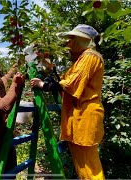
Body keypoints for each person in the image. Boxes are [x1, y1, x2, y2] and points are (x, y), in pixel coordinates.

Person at [30, 24, 105, 179]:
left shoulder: (90, 56)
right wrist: (47, 68)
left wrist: (43, 85)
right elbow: (65, 80)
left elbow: (70, 84)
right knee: (84, 166)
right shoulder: (82, 60)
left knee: (89, 168)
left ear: (84, 40)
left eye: (72, 39)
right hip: (79, 118)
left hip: (84, 117)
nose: (68, 43)